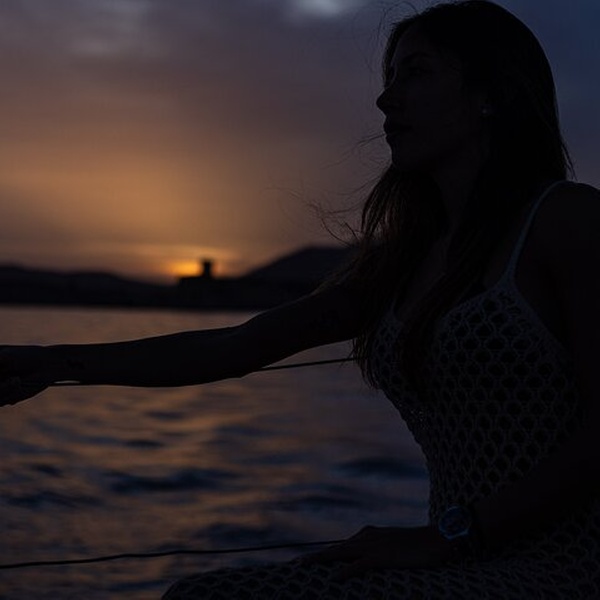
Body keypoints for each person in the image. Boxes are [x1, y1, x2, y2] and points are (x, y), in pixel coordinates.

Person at [1, 0, 599, 597]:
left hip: (564, 564)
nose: (385, 99)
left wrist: (454, 535)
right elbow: (238, 345)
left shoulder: (565, 220)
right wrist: (55, 362)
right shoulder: (405, 261)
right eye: (389, 77)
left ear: (490, 94)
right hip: (455, 556)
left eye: (415, 73)